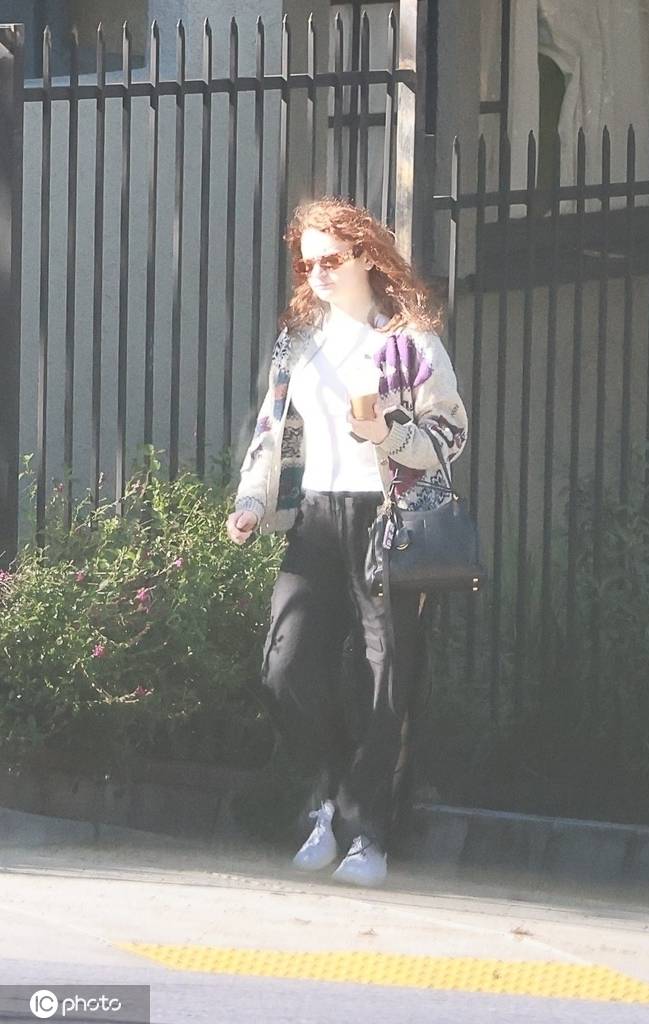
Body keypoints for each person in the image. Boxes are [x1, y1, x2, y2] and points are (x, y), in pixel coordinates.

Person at [225, 195, 468, 887]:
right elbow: (274, 429)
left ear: (365, 254)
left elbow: (450, 434)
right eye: (308, 264)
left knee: (383, 677)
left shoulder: (408, 340)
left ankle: (368, 835)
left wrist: (387, 434)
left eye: (331, 259)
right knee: (285, 665)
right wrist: (252, 500)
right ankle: (330, 794)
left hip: (387, 517)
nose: (319, 274)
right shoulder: (300, 341)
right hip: (315, 515)